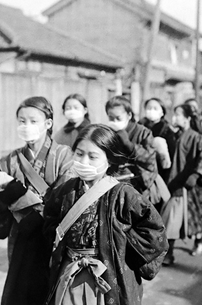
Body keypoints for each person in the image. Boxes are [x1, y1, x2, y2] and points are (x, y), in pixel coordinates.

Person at [43, 123, 168, 305]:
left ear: (109, 159)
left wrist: (121, 247)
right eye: (79, 154)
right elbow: (49, 223)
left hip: (109, 276)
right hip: (69, 273)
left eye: (92, 156)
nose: (83, 162)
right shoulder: (64, 191)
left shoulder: (125, 195)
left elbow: (155, 233)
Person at [0, 96, 73, 305]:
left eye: (33, 121)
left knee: (53, 288)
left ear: (48, 124)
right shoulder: (9, 160)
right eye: (22, 121)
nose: (26, 126)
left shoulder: (64, 155)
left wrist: (25, 200)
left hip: (53, 234)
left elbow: (68, 195)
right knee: (21, 290)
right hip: (20, 235)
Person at [161, 104, 202, 265]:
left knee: (195, 219)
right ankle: (169, 253)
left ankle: (199, 240)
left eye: (178, 115)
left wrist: (196, 175)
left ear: (188, 118)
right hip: (173, 182)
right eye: (174, 114)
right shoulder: (170, 134)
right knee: (170, 220)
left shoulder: (197, 138)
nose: (174, 118)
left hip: (191, 187)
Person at [105, 95, 169, 208]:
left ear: (129, 115)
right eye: (111, 118)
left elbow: (150, 160)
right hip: (114, 184)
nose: (114, 122)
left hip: (139, 186)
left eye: (118, 118)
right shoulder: (108, 132)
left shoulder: (143, 132)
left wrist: (128, 144)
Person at [139, 97, 176, 183]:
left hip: (160, 172)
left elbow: (171, 155)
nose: (151, 111)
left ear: (162, 112)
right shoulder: (140, 127)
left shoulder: (167, 130)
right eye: (149, 108)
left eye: (155, 108)